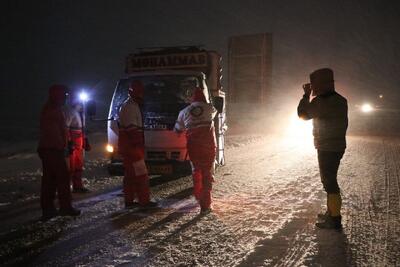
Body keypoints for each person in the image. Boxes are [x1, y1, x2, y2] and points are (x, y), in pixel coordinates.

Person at [297, 68, 348, 229]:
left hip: (327, 147)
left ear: (320, 84)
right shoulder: (340, 99)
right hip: (337, 145)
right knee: (330, 180)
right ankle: (331, 212)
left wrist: (306, 95)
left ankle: (334, 218)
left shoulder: (321, 101)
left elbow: (302, 114)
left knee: (329, 182)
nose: (313, 88)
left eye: (314, 84)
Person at [38, 84, 81, 220]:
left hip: (49, 149)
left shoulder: (52, 109)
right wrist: (62, 146)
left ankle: (49, 209)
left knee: (50, 180)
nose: (66, 98)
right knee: (62, 178)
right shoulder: (52, 111)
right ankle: (65, 207)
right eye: (64, 95)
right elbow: (54, 133)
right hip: (53, 150)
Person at [174, 88, 217, 214]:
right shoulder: (210, 108)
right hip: (208, 147)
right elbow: (214, 113)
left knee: (196, 171)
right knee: (206, 174)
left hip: (194, 148)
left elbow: (177, 129)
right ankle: (205, 205)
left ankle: (198, 197)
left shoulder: (184, 112)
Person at [118, 80, 156, 209]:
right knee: (141, 175)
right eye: (140, 94)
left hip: (129, 147)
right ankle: (144, 201)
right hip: (132, 148)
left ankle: (129, 201)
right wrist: (138, 147)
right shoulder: (130, 107)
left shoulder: (130, 105)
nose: (142, 97)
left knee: (130, 175)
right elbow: (132, 130)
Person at [65, 94, 91, 193]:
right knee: (70, 167)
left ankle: (78, 186)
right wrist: (69, 142)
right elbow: (66, 128)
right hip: (72, 144)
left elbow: (82, 128)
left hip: (79, 143)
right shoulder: (70, 112)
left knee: (78, 165)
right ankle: (66, 189)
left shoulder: (81, 112)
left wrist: (85, 140)